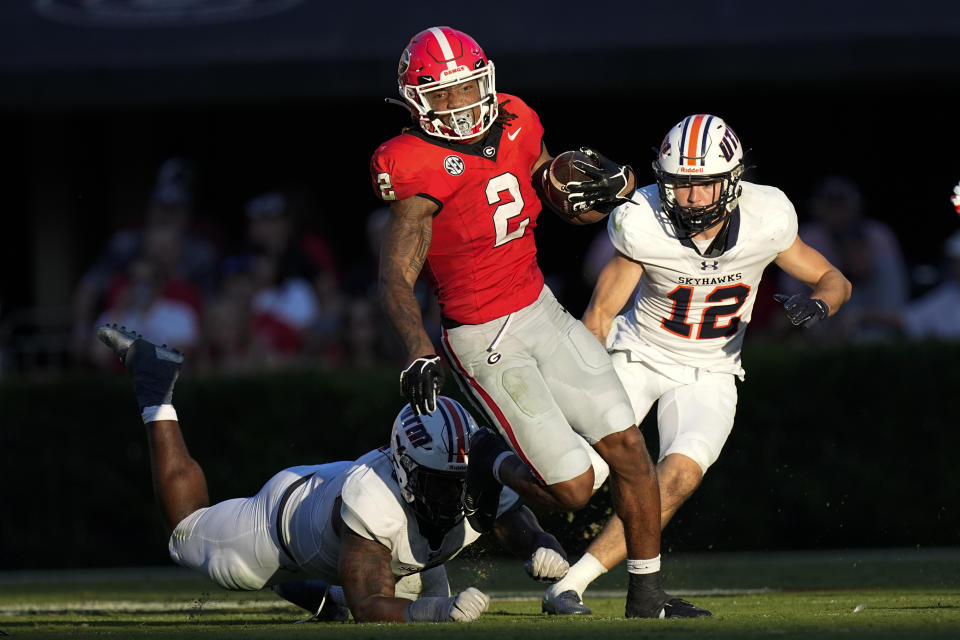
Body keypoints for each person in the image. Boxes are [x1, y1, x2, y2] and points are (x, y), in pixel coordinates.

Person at [370, 26, 707, 618]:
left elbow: (558, 196)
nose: (460, 104)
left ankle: (647, 595)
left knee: (629, 449)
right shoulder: (413, 164)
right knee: (575, 489)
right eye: (443, 95)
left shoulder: (518, 118)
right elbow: (396, 275)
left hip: (541, 308)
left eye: (467, 87)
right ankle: (485, 460)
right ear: (417, 101)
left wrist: (589, 188)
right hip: (482, 335)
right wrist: (418, 347)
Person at [542, 114, 852, 613]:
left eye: (704, 185)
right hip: (638, 354)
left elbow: (833, 277)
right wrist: (576, 385)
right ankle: (509, 515)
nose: (691, 198)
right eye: (681, 185)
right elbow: (599, 315)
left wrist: (820, 303)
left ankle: (570, 583)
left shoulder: (767, 215)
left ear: (731, 182)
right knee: (582, 473)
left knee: (681, 475)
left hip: (712, 368)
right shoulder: (641, 219)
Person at [96, 323, 574, 624]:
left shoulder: (467, 475)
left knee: (401, 582)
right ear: (407, 470)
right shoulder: (374, 503)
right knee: (184, 537)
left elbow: (520, 526)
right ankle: (154, 387)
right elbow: (369, 606)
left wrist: (542, 547)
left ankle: (319, 597)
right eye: (441, 484)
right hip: (280, 525)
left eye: (461, 481)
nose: (455, 496)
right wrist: (440, 611)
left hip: (385, 540)